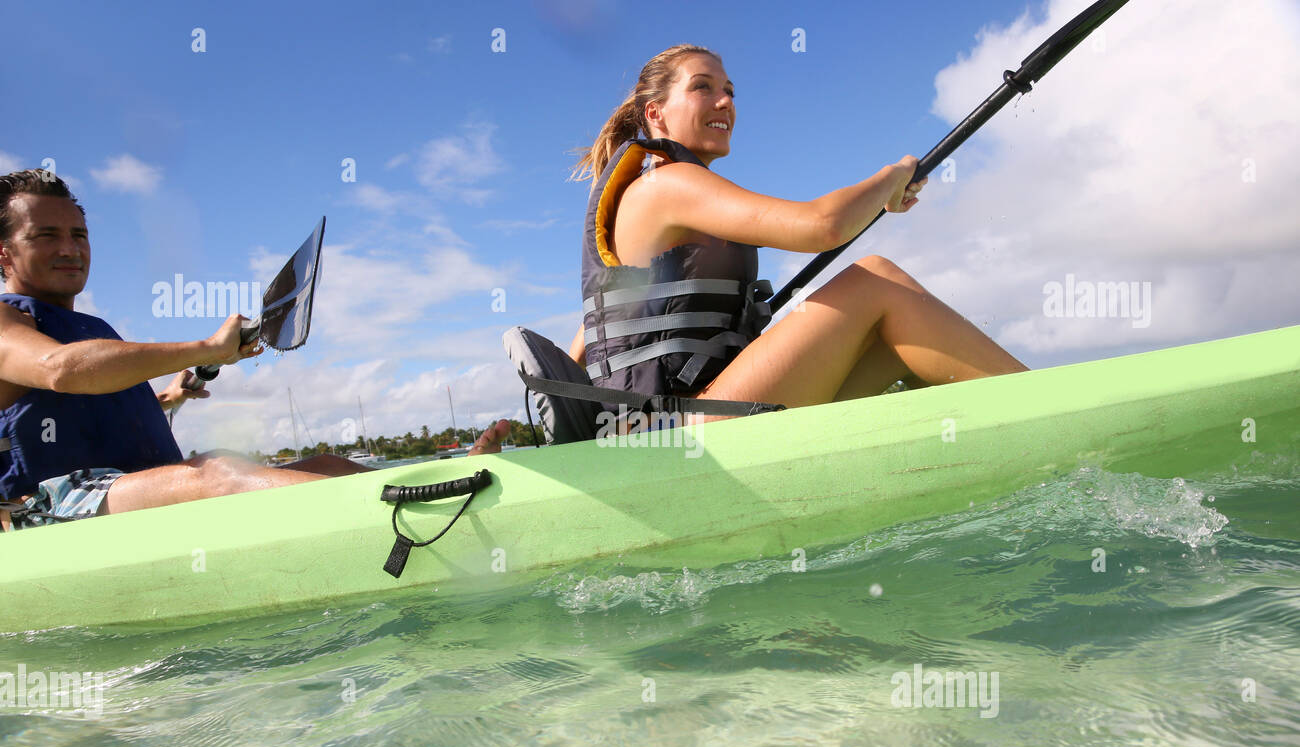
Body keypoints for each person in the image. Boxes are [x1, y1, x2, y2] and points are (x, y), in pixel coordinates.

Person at [0, 170, 508, 530]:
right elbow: (61, 371)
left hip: (128, 492)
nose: (70, 247)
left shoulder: (86, 325)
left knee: (328, 464)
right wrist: (202, 346)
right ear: (5, 253)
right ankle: (409, 517)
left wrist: (172, 393)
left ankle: (450, 486)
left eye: (78, 234)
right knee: (218, 470)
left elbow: (84, 406)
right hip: (47, 511)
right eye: (46, 235)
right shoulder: (8, 320)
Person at [566, 45, 1028, 426]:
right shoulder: (666, 184)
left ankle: (1002, 435)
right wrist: (891, 178)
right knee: (874, 282)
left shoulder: (653, 191)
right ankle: (1039, 409)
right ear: (656, 114)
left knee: (889, 346)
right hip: (671, 431)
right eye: (702, 87)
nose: (725, 101)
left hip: (661, 424)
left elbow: (594, 333)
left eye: (729, 90)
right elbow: (822, 227)